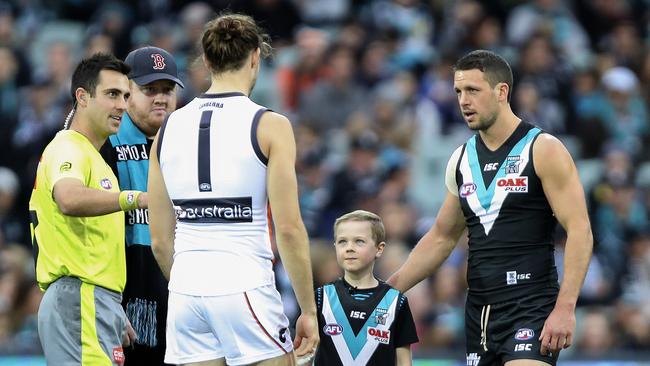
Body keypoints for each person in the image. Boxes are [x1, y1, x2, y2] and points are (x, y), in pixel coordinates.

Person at [388, 50, 593, 365]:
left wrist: (565, 307)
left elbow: (580, 229)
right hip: (480, 313)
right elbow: (442, 237)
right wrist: (391, 290)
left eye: (472, 90)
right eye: (458, 92)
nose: (463, 101)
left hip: (532, 305)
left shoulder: (543, 149)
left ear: (502, 92)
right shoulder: (460, 159)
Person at [148, 13, 319, 366]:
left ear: (207, 62)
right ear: (256, 56)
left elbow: (160, 241)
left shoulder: (168, 128)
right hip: (244, 284)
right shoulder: (270, 124)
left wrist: (190, 283)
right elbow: (287, 228)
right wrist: (308, 310)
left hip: (185, 292)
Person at [29, 53, 143, 365]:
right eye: (112, 94)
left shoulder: (94, 158)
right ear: (82, 97)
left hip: (92, 300)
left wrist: (110, 306)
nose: (122, 105)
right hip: (80, 298)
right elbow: (68, 197)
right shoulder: (68, 147)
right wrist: (135, 198)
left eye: (125, 96)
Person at [100, 46, 184, 365]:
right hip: (126, 288)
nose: (161, 98)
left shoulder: (184, 142)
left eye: (167, 89)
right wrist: (110, 302)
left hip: (175, 285)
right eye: (149, 89)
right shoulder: (108, 141)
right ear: (128, 92)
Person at [314, 210, 418, 366]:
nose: (349, 248)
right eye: (342, 241)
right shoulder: (321, 297)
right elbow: (304, 355)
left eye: (359, 241)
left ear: (379, 248)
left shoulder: (396, 302)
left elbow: (404, 362)